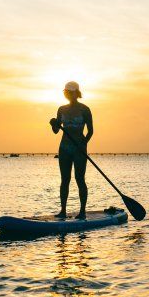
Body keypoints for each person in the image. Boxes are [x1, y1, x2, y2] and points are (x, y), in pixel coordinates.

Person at [49, 81, 93, 219]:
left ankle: (82, 212)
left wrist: (83, 144)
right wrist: (53, 124)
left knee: (80, 179)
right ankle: (63, 211)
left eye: (71, 92)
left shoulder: (85, 109)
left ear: (76, 93)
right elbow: (56, 131)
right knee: (65, 179)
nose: (68, 94)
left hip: (79, 149)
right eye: (66, 92)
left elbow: (91, 131)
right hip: (64, 148)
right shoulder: (61, 109)